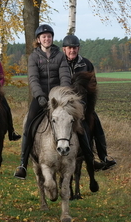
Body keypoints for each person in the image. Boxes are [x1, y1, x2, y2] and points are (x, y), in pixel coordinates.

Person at [14, 24, 99, 180]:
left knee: (78, 125)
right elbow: (33, 79)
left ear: (52, 38)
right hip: (40, 98)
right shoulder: (33, 57)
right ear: (39, 40)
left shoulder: (59, 56)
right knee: (29, 125)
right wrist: (39, 96)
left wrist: (64, 95)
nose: (47, 39)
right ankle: (23, 164)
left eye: (49, 36)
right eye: (44, 36)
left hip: (58, 98)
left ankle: (89, 158)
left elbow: (65, 76)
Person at [62, 34, 117, 170]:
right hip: (64, 105)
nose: (72, 51)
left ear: (78, 48)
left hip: (83, 104)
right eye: (69, 48)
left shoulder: (86, 64)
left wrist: (88, 106)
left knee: (96, 123)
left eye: (75, 48)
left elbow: (93, 86)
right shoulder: (59, 64)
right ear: (64, 49)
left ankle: (102, 156)